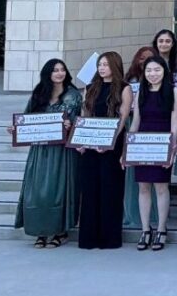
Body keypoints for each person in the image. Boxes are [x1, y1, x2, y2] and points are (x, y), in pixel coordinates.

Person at [12, 59, 83, 249]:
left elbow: (80, 120)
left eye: (62, 70)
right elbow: (27, 117)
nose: (59, 73)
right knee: (36, 192)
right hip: (40, 150)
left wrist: (71, 125)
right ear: (48, 74)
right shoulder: (39, 94)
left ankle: (60, 231)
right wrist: (17, 129)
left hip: (62, 152)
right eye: (55, 70)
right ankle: (40, 231)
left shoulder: (73, 95)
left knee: (57, 191)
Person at [76, 52, 132, 250]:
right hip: (91, 144)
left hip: (112, 145)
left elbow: (123, 118)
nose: (101, 68)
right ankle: (89, 238)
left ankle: (109, 238)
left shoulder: (125, 88)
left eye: (106, 65)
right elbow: (85, 115)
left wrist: (110, 141)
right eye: (100, 64)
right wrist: (81, 141)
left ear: (115, 66)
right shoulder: (90, 88)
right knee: (90, 189)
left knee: (110, 189)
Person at [128, 55, 177, 251]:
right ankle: (145, 230)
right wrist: (128, 149)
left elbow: (175, 123)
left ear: (164, 71)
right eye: (149, 70)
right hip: (142, 144)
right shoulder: (140, 91)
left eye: (157, 70)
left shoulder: (174, 92)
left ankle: (161, 229)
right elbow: (135, 122)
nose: (153, 74)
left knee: (161, 187)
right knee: (143, 188)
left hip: (162, 143)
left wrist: (172, 150)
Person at [122, 46, 158, 231]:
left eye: (149, 59)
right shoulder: (128, 81)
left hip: (155, 131)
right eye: (141, 58)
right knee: (135, 178)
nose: (144, 62)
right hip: (133, 126)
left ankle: (155, 218)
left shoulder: (160, 83)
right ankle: (134, 213)